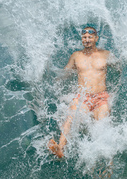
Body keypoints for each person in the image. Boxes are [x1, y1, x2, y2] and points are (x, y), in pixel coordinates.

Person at [48, 26, 119, 158]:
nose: (87, 40)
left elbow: (119, 69)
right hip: (83, 97)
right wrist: (54, 77)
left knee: (102, 126)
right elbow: (66, 72)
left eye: (90, 37)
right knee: (70, 118)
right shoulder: (76, 56)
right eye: (84, 37)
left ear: (96, 38)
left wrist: (115, 90)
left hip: (101, 98)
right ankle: (60, 149)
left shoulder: (106, 54)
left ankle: (106, 160)